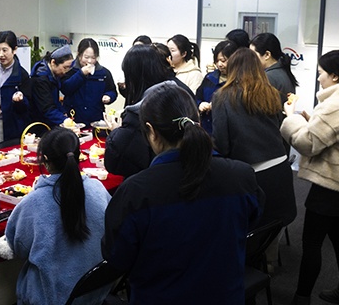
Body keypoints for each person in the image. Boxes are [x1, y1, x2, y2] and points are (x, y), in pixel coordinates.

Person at [102, 84, 263, 304]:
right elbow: (250, 222)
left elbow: (116, 258)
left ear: (151, 131)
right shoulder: (241, 176)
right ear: (197, 121)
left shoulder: (136, 192)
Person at [281, 50, 339, 305]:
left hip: (330, 186)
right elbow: (337, 136)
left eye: (321, 73)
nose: (319, 78)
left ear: (334, 75)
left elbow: (308, 144)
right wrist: (312, 121)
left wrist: (291, 118)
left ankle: (301, 299)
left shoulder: (333, 106)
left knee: (312, 243)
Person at [0, 128, 111, 305]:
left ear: (45, 160)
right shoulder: (97, 188)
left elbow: (16, 247)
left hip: (52, 297)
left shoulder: (34, 202)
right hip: (97, 290)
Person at [213, 48, 296, 228]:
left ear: (232, 68)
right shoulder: (271, 92)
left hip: (251, 173)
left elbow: (221, 143)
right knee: (273, 225)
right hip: (280, 167)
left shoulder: (223, 96)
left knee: (249, 227)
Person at [104, 44, 195, 178]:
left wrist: (117, 132)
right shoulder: (178, 94)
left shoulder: (143, 110)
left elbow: (116, 160)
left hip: (153, 180)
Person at [61, 38, 117, 125]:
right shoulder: (70, 70)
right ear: (79, 55)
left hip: (96, 119)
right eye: (86, 57)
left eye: (93, 57)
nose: (90, 61)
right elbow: (65, 89)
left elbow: (112, 91)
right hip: (73, 119)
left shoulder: (103, 73)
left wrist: (109, 96)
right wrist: (81, 74)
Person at [195, 40, 238, 135]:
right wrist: (200, 104)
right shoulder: (209, 78)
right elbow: (197, 97)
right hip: (206, 129)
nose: (219, 64)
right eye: (217, 61)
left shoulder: (239, 82)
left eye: (223, 61)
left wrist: (216, 106)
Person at [30, 45, 74, 127]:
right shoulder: (40, 79)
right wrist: (64, 120)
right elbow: (47, 109)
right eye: (65, 67)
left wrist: (63, 113)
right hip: (41, 125)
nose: (66, 72)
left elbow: (55, 102)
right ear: (53, 62)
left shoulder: (54, 75)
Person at [250, 33, 299, 103]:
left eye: (253, 55)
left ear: (267, 55)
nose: (250, 59)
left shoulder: (268, 77)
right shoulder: (284, 71)